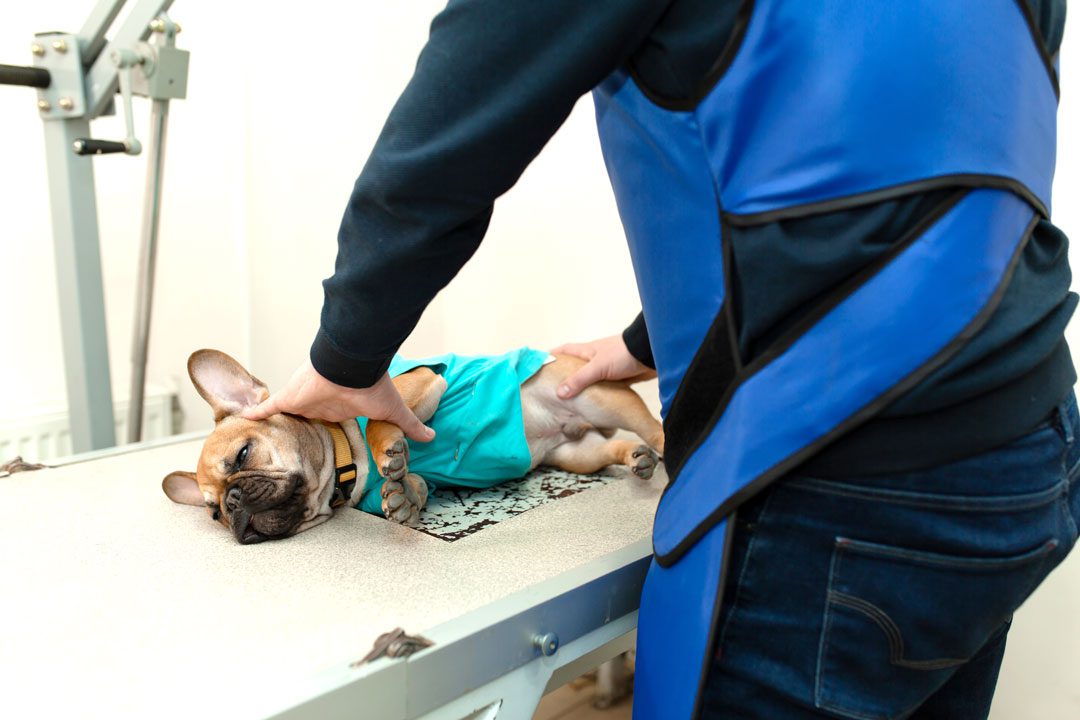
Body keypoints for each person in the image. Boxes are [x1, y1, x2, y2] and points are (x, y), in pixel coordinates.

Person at [243, 1, 1079, 717]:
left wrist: (347, 352)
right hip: (1028, 446)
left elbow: (456, 128)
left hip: (825, 471)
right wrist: (652, 341)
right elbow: (900, 156)